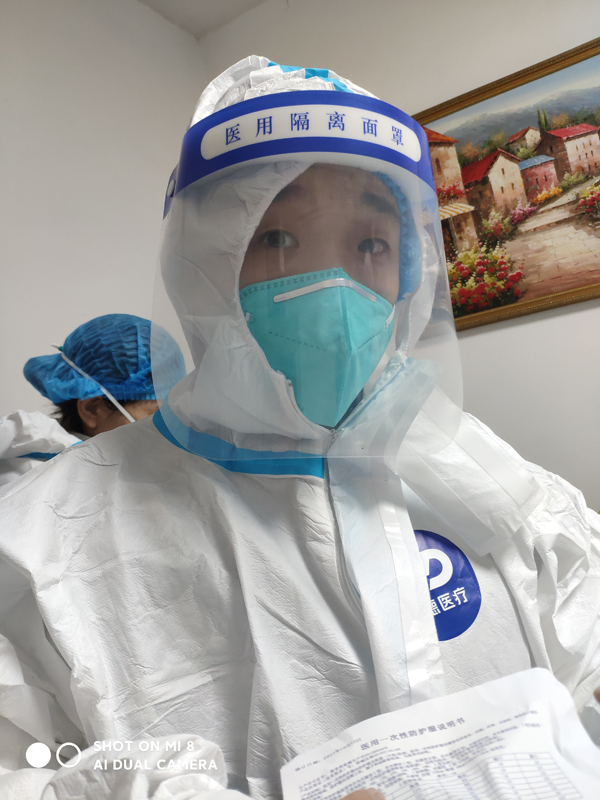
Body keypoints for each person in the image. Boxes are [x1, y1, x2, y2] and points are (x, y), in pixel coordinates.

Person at [0, 57, 598, 800]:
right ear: (202, 265)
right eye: (278, 239)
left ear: (411, 274)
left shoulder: (478, 473)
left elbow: (584, 662)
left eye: (371, 245)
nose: (334, 287)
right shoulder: (44, 542)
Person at [0, 314, 177, 488]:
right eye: (156, 415)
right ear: (92, 410)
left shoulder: (127, 474)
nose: (172, 429)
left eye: (175, 414)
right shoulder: (31, 484)